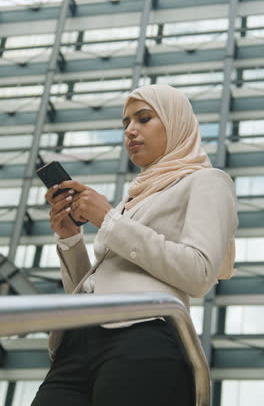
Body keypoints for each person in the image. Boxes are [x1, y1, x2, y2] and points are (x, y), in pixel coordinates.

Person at [31, 84, 238, 406]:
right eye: (125, 123)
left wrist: (108, 219)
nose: (130, 131)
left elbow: (199, 273)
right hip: (75, 346)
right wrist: (70, 238)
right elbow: (98, 286)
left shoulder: (207, 181)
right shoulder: (133, 198)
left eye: (144, 118)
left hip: (142, 338)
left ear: (176, 122)